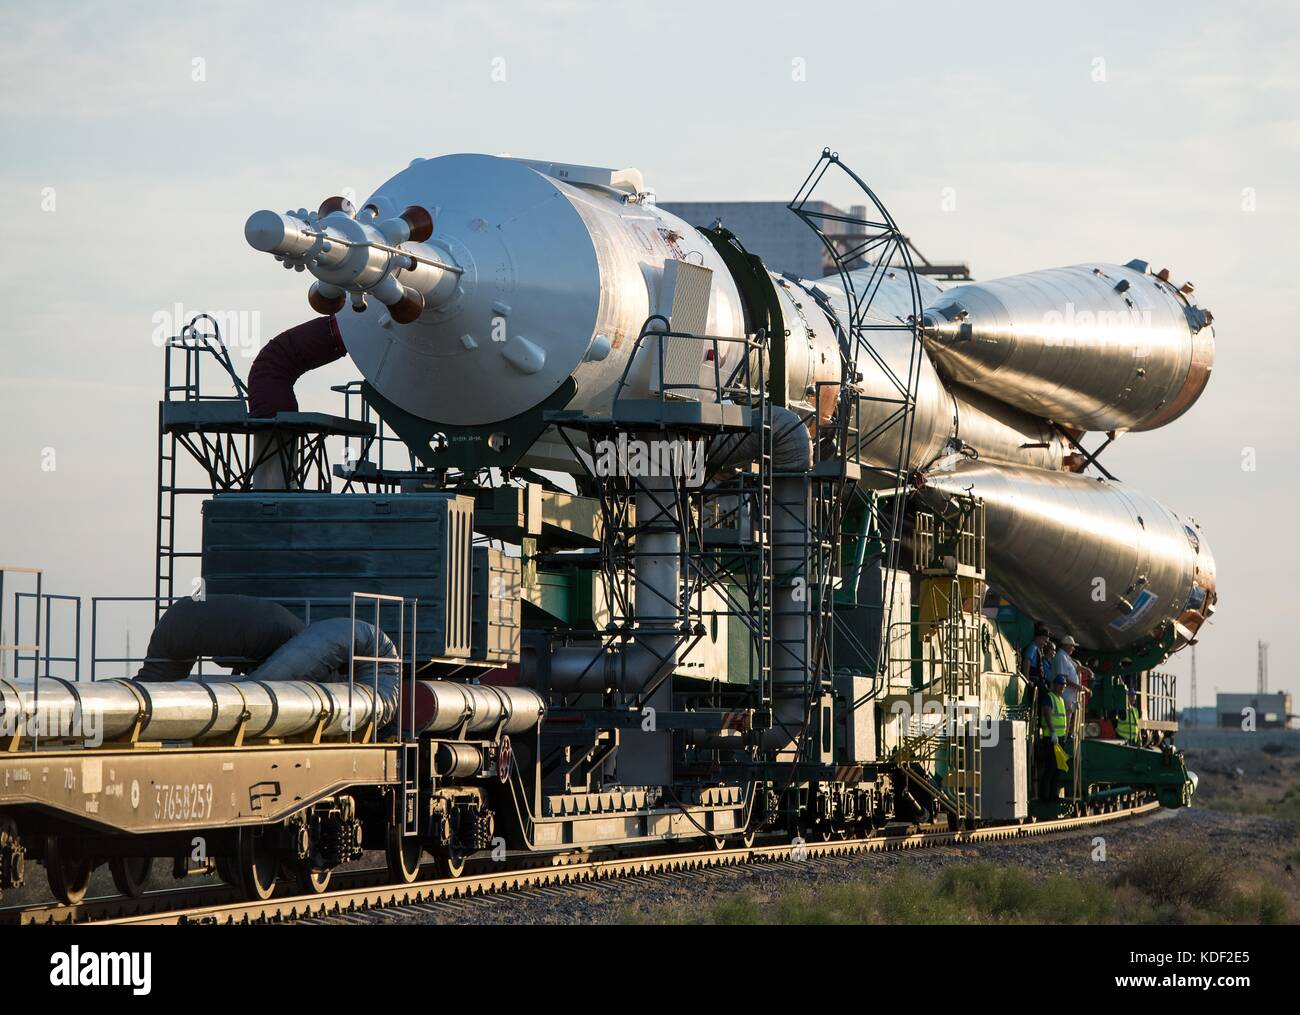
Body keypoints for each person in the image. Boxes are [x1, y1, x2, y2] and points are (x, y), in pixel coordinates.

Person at [1037, 674, 1069, 804]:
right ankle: (1045, 797)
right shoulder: (1049, 698)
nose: (1062, 687)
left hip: (1058, 738)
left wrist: (1070, 710)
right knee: (1051, 767)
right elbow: (1047, 714)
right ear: (1054, 685)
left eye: (1064, 685)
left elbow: (1061, 716)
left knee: (1057, 768)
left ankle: (1053, 796)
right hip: (1051, 738)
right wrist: (1053, 732)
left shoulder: (1060, 699)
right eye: (1060, 684)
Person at [1053, 635, 1089, 734]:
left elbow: (1077, 667)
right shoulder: (1061, 657)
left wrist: (1087, 670)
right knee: (1063, 724)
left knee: (1067, 724)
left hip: (1069, 698)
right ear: (1066, 646)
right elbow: (1062, 678)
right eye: (1072, 646)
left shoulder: (1066, 657)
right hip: (1064, 696)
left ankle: (1065, 738)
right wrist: (1080, 687)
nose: (1073, 648)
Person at [1022, 623, 1053, 694]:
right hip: (1034, 680)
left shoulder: (1038, 649)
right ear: (1038, 637)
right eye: (1044, 641)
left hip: (1039, 680)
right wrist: (1027, 679)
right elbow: (1027, 661)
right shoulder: (1033, 648)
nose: (1045, 644)